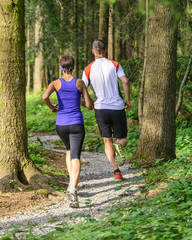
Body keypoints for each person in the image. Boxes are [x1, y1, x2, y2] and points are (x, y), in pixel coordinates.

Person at [42, 55, 94, 208]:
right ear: (73, 67)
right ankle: (73, 188)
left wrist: (52, 107)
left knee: (68, 150)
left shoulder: (55, 83)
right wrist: (80, 99)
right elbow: (89, 105)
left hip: (61, 125)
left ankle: (71, 182)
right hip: (76, 123)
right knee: (76, 155)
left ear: (61, 67)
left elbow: (44, 96)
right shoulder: (80, 83)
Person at [82, 39, 131, 182]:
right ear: (106, 51)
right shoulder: (114, 64)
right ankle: (119, 145)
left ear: (93, 52)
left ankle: (117, 172)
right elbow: (125, 81)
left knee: (107, 141)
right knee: (122, 139)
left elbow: (81, 87)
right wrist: (127, 100)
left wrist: (88, 102)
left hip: (100, 108)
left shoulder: (88, 69)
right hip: (117, 107)